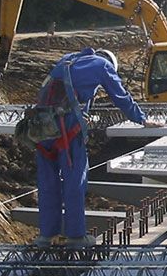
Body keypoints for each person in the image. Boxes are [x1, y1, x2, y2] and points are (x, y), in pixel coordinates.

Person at [32, 47, 158, 249]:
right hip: (66, 128)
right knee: (74, 181)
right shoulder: (103, 66)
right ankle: (75, 237)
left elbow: (65, 93)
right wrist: (141, 119)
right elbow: (121, 97)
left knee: (47, 183)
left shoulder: (68, 59)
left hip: (41, 125)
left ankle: (47, 236)